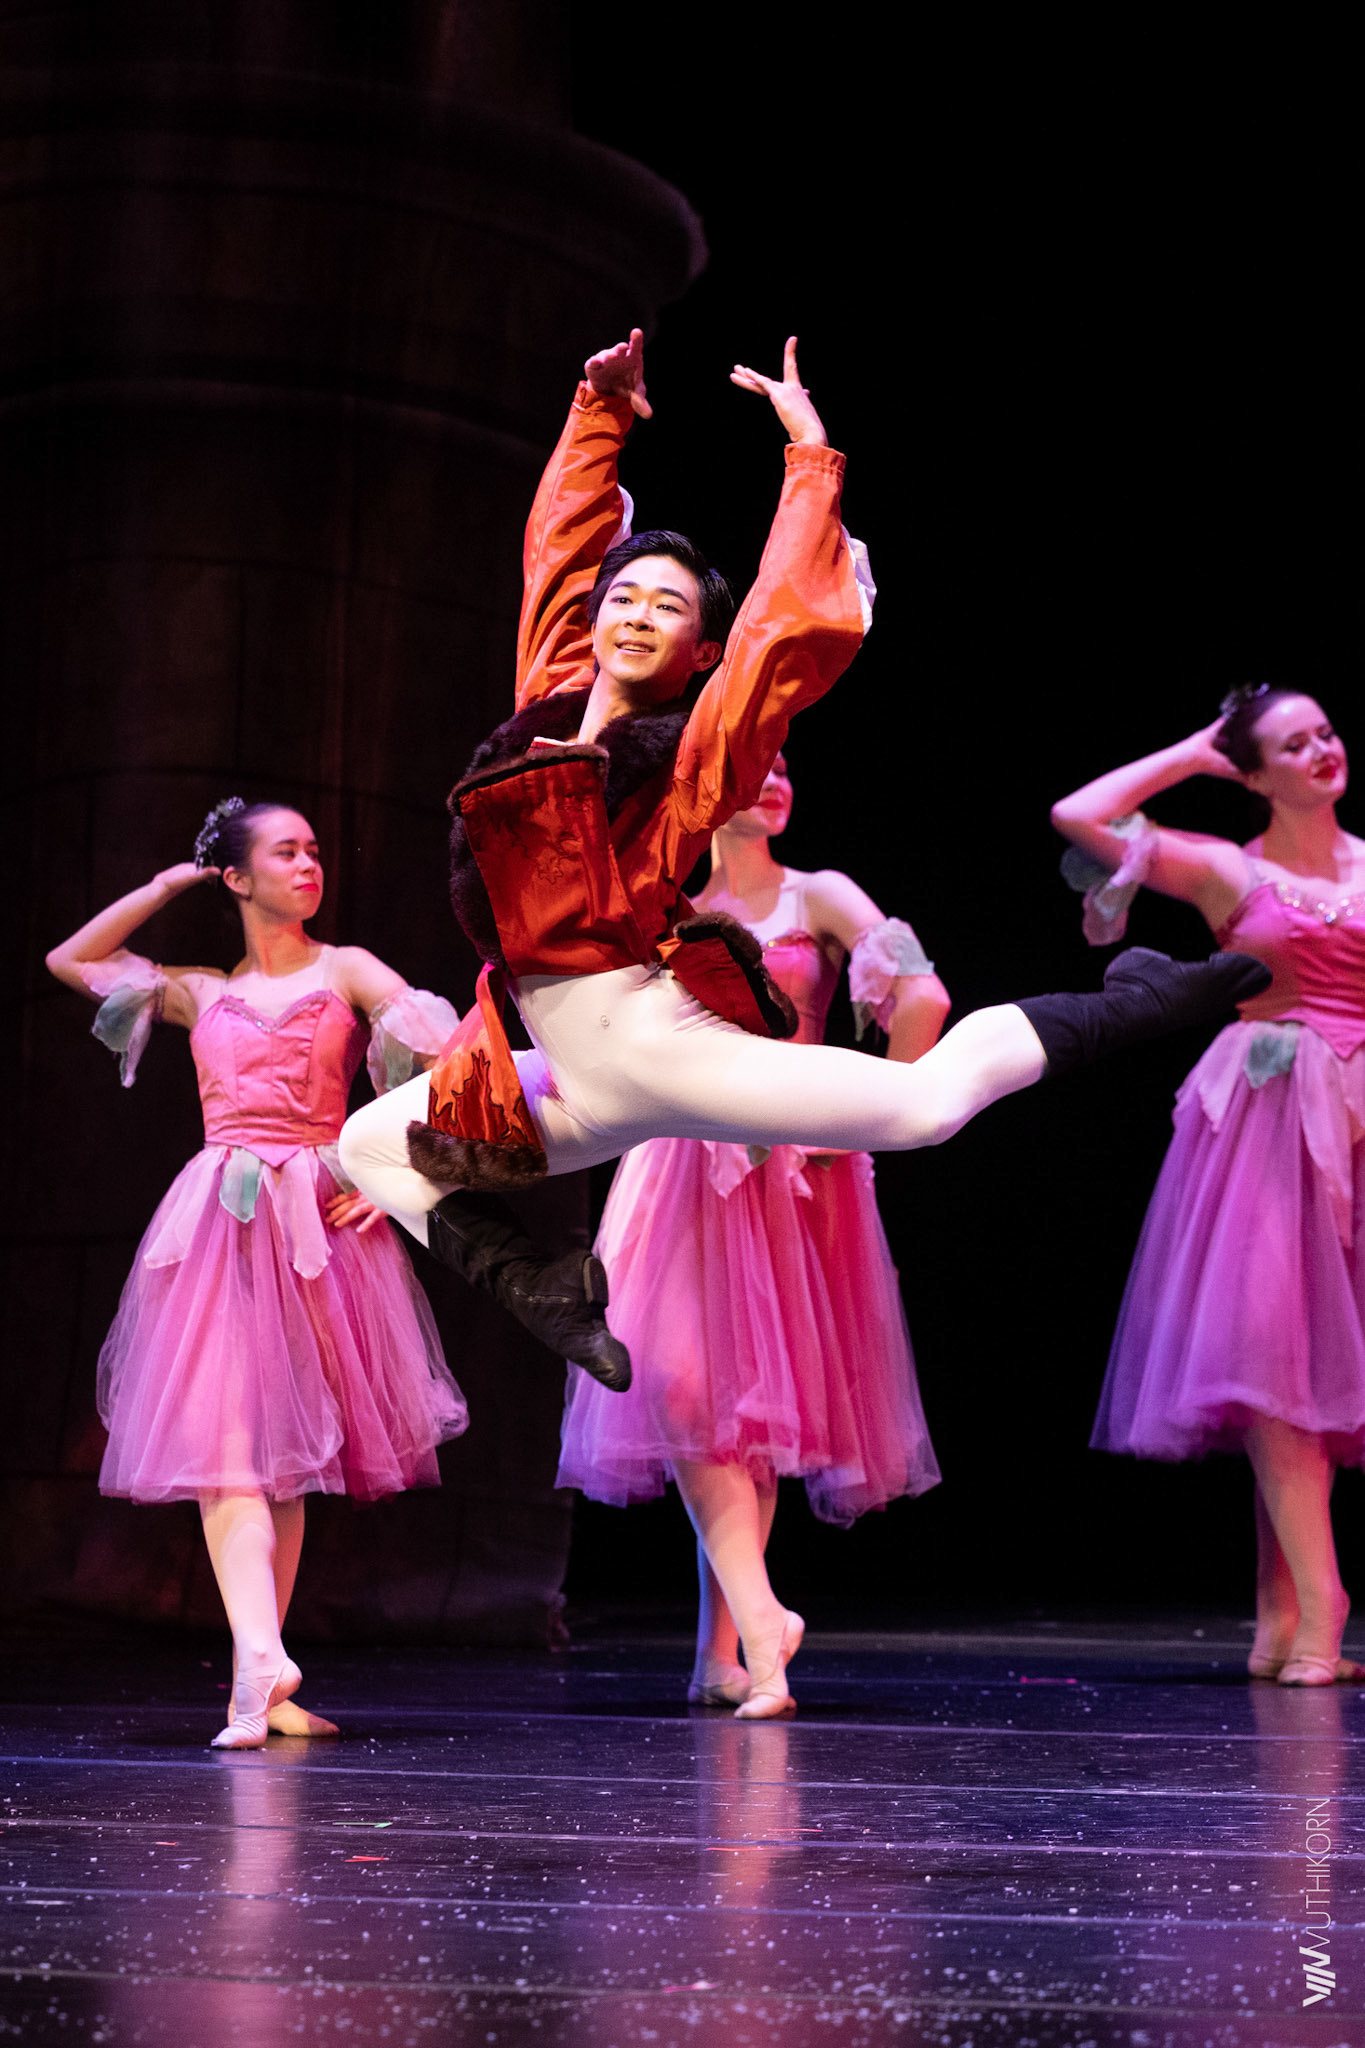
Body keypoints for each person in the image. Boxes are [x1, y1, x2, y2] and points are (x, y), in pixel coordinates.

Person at [339, 332, 1269, 1710]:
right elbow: (557, 554)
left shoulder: (688, 752)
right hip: (561, 1074)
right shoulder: (539, 705)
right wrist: (597, 413)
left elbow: (782, 634)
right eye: (626, 596)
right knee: (367, 1146)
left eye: (667, 607)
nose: (635, 614)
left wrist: (809, 460)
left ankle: (1136, 999)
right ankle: (541, 1287)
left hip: (654, 1042)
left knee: (923, 1109)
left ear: (696, 647)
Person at [47, 798, 468, 1747]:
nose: (310, 865)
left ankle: (259, 1684)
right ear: (237, 877)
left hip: (316, 1219)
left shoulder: (346, 969)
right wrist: (170, 883)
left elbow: (452, 1066)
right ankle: (260, 1670)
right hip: (220, 1224)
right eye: (287, 852)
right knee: (228, 1443)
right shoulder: (199, 991)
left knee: (281, 1465)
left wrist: (403, 1177)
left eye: (315, 850)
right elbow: (71, 962)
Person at [558, 753, 950, 1716]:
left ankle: (737, 1645)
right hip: (683, 1163)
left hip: (788, 1168)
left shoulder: (820, 895)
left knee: (750, 1410)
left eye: (785, 767)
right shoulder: (670, 906)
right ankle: (737, 1640)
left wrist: (867, 1119)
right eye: (755, 765)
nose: (775, 779)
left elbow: (924, 997)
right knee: (690, 1391)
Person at [1052, 686, 1365, 1686]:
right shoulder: (1234, 869)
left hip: (1358, 1123)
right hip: (1268, 1125)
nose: (1320, 751)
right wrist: (1193, 750)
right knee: (1275, 1365)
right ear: (1255, 774)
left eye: (1325, 733)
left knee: (1324, 1374)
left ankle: (1280, 1616)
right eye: (1293, 744)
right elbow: (1079, 816)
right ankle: (1322, 1605)